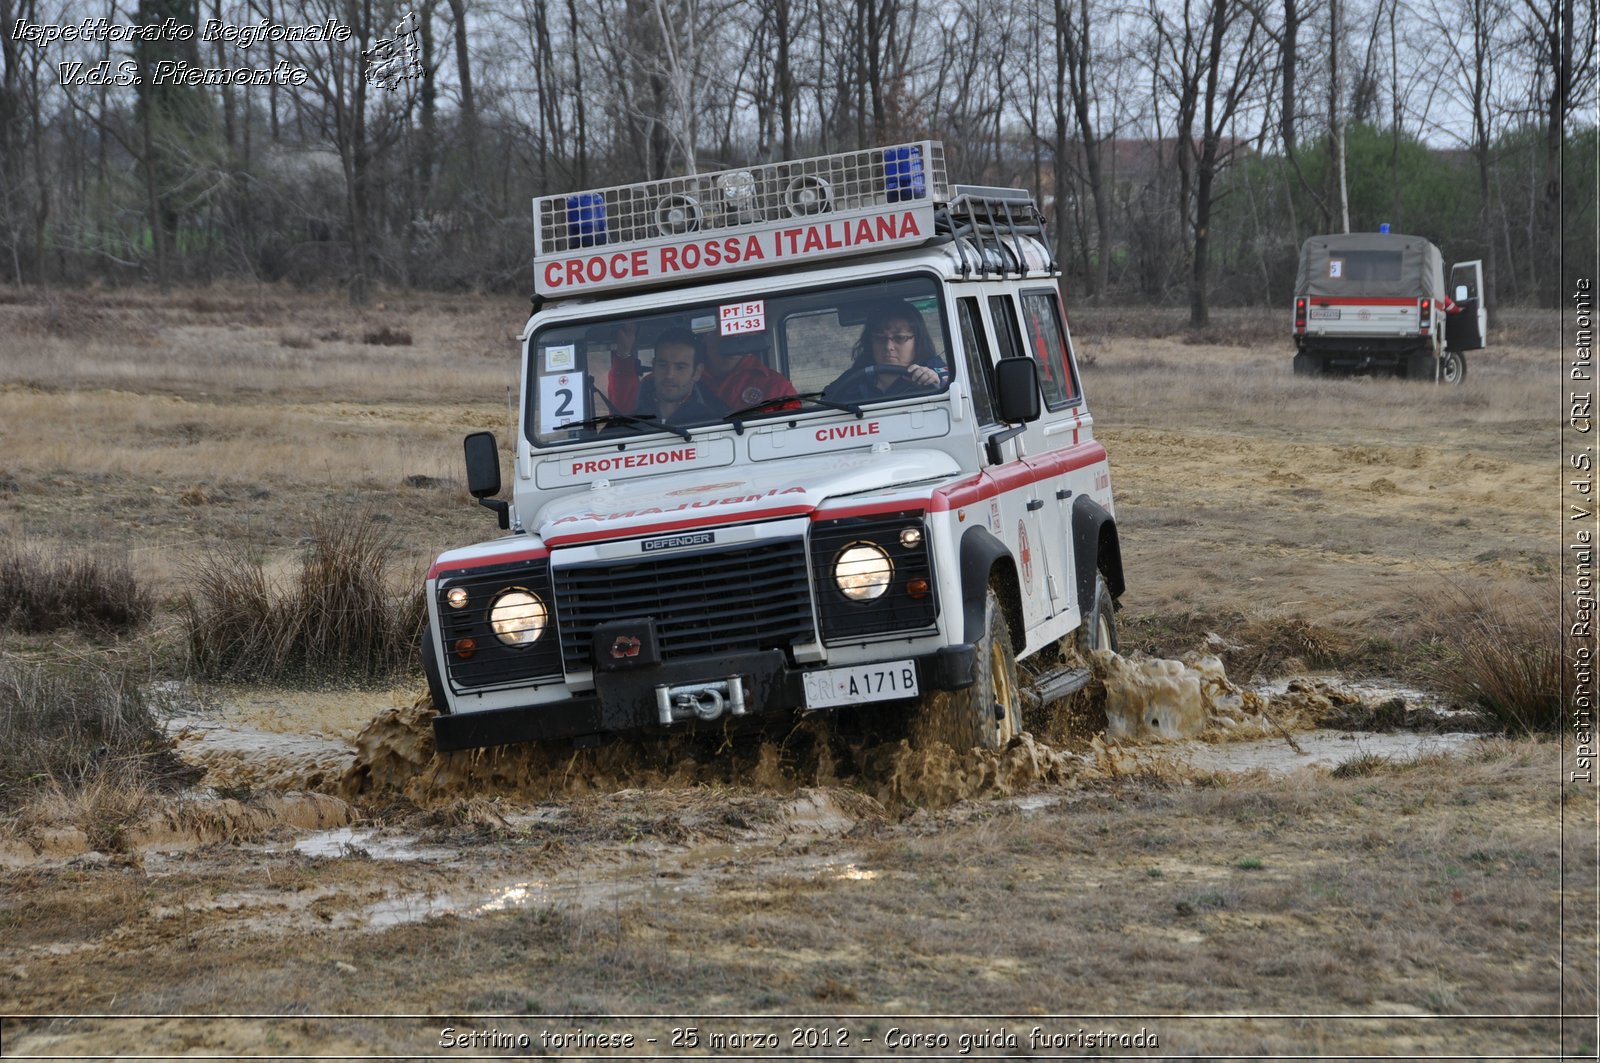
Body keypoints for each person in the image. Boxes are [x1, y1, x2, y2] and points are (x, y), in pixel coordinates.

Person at [826, 301, 949, 403]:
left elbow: (950, 390)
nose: (888, 346)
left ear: (918, 340)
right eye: (880, 338)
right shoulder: (853, 380)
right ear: (870, 342)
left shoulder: (934, 370)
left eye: (900, 338)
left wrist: (932, 381)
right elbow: (826, 401)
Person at [630, 327, 727, 425]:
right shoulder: (630, 422)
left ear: (697, 372)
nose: (669, 375)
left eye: (680, 367)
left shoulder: (711, 423)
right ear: (654, 366)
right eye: (662, 365)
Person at [703, 333, 798, 411]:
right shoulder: (692, 379)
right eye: (721, 334)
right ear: (705, 340)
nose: (731, 340)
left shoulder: (777, 386)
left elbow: (793, 428)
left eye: (737, 336)